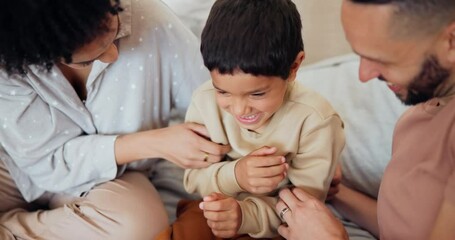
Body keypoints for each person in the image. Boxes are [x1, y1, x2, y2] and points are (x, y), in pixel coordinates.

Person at [0, 0, 231, 239]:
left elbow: (219, 100)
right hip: (18, 167)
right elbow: (46, 163)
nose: (113, 55)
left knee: (139, 224)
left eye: (115, 32)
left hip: (114, 181)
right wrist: (155, 143)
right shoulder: (8, 63)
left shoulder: (150, 20)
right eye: (88, 60)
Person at [156, 0, 345, 239]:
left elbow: (304, 212)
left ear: (294, 66)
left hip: (276, 225)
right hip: (214, 211)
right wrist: (236, 175)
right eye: (223, 91)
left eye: (257, 94)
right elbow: (193, 180)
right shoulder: (204, 101)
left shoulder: (316, 121)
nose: (238, 109)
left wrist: (245, 216)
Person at [276, 0, 455, 239]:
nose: (363, 75)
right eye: (359, 55)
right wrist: (333, 191)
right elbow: (402, 228)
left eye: (382, 58)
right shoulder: (417, 119)